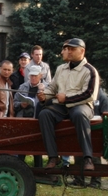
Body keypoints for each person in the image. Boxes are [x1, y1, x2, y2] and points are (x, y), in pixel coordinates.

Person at [37, 38, 99, 172]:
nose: (69, 52)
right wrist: (44, 95)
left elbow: (89, 95)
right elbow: (52, 88)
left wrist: (66, 99)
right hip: (62, 106)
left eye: (72, 49)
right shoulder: (61, 69)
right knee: (45, 114)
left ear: (82, 51)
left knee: (79, 114)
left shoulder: (90, 70)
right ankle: (53, 157)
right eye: (67, 49)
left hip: (82, 105)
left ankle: (88, 157)